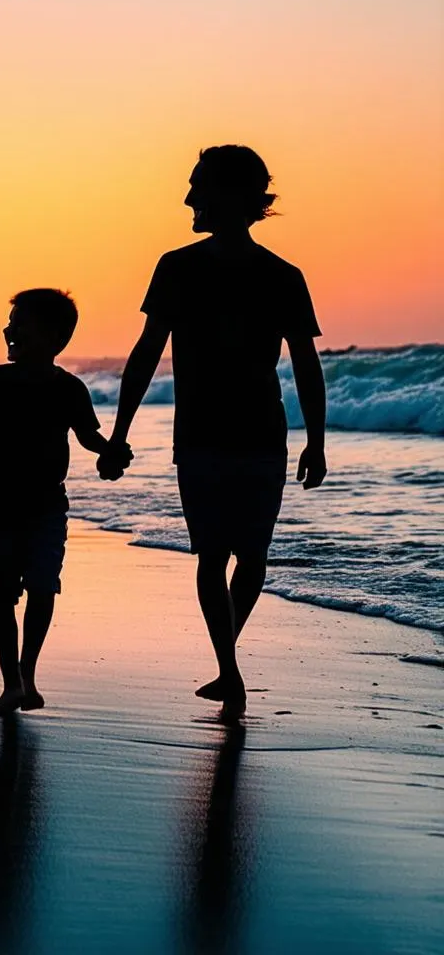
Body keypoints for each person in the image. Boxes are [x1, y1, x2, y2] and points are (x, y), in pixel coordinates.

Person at [104, 145, 326, 718]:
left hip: (258, 434)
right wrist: (118, 432)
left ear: (231, 197)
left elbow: (306, 362)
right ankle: (229, 669)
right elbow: (146, 353)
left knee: (249, 556)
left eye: (197, 186)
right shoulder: (178, 266)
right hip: (203, 436)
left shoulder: (282, 276)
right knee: (216, 554)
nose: (187, 198)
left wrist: (318, 441)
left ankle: (227, 667)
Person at [0, 289, 132, 716]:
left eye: (19, 323)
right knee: (1, 595)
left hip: (47, 508)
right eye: (9, 323)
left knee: (43, 588)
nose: (9, 329)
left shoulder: (69, 388)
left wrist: (110, 453)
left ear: (54, 337)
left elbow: (87, 437)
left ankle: (27, 673)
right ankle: (12, 682)